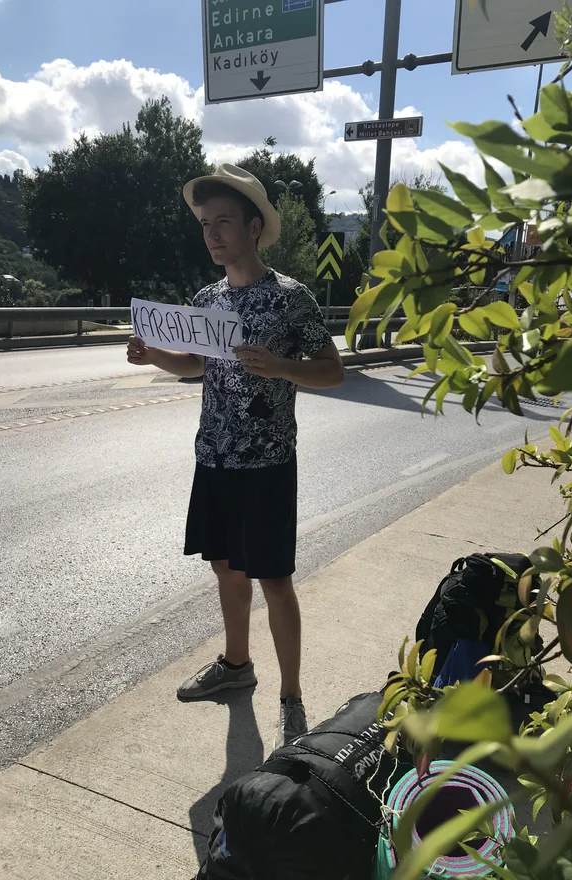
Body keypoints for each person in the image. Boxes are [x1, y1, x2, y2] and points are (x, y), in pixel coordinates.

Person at [127, 164, 344, 748]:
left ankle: (292, 698)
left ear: (253, 227)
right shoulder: (208, 300)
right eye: (204, 224)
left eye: (223, 221)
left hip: (268, 464)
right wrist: (155, 358)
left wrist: (282, 368)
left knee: (274, 580)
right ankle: (235, 665)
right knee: (225, 569)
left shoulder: (292, 299)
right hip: (214, 459)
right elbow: (198, 366)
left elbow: (333, 371)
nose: (212, 234)